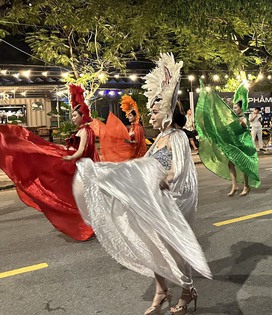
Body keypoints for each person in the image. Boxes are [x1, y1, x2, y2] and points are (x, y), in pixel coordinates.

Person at [73, 53, 212, 315]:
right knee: (151, 245)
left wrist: (162, 180)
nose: (151, 116)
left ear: (169, 113)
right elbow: (141, 166)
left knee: (174, 246)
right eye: (151, 112)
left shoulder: (176, 137)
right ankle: (162, 290)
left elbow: (178, 171)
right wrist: (111, 175)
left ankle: (187, 290)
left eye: (156, 111)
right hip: (153, 200)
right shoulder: (157, 140)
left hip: (170, 201)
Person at [0, 84, 97, 241]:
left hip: (80, 167)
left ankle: (84, 221)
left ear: (82, 116)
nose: (72, 118)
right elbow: (74, 148)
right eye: (72, 116)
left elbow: (80, 152)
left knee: (72, 193)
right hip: (75, 164)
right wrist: (60, 149)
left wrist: (67, 157)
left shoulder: (85, 131)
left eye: (74, 116)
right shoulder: (80, 131)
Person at [195, 83, 260, 196]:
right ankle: (234, 185)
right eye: (233, 107)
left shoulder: (244, 118)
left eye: (236, 107)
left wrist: (239, 122)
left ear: (241, 108)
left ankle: (246, 186)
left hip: (244, 145)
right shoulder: (233, 118)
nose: (234, 109)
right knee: (231, 164)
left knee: (243, 165)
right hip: (235, 145)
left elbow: (245, 126)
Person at [91, 95, 148, 162]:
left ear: (136, 116)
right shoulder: (132, 127)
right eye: (128, 115)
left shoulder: (138, 128)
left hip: (135, 155)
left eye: (130, 115)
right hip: (131, 153)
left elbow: (137, 143)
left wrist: (127, 141)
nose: (128, 117)